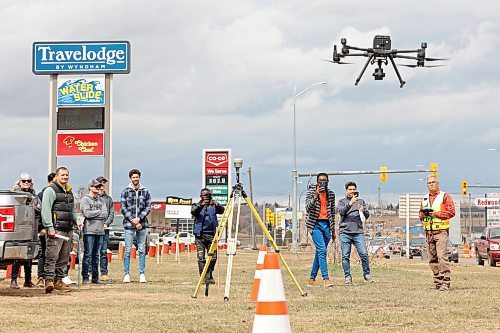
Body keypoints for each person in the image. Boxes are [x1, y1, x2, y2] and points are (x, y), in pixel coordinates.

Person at [42, 166, 81, 293]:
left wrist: (77, 220)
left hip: (68, 228)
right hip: (56, 229)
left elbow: (72, 209)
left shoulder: (69, 192)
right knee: (52, 255)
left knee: (63, 258)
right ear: (57, 176)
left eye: (67, 175)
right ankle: (49, 280)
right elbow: (46, 210)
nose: (65, 177)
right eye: (62, 175)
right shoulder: (50, 190)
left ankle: (59, 281)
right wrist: (49, 227)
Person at [419, 174, 455, 291]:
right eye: (429, 183)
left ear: (437, 183)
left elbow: (451, 212)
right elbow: (420, 215)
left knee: (442, 257)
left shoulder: (444, 196)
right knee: (432, 258)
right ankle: (438, 282)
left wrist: (436, 214)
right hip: (429, 232)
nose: (431, 184)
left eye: (433, 182)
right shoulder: (424, 198)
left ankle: (446, 282)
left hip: (441, 231)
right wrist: (423, 214)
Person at [337, 181, 372, 284]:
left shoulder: (361, 201)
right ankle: (347, 276)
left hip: (358, 231)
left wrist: (363, 210)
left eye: (353, 189)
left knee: (364, 254)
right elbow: (341, 212)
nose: (352, 191)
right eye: (350, 189)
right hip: (345, 232)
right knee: (345, 256)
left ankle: (367, 274)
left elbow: (366, 216)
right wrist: (350, 203)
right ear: (346, 191)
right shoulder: (342, 202)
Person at [10, 173, 41, 289]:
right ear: (20, 182)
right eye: (24, 181)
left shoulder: (33, 195)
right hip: (18, 227)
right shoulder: (15, 195)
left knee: (29, 254)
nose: (26, 183)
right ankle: (14, 279)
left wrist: (34, 208)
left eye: (28, 181)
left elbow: (39, 207)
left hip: (31, 226)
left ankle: (28, 280)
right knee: (17, 255)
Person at [120, 169, 151, 283]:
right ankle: (126, 274)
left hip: (142, 224)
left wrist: (140, 219)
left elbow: (148, 207)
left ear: (139, 177)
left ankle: (142, 274)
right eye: (133, 177)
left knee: (142, 250)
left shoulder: (145, 191)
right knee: (128, 250)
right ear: (130, 178)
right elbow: (123, 208)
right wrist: (133, 220)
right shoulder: (125, 191)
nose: (135, 179)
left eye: (137, 177)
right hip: (129, 225)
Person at [305, 173, 336, 288]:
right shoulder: (311, 192)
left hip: (327, 225)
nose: (322, 183)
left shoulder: (331, 194)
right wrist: (316, 195)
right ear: (317, 182)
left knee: (319, 252)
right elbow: (308, 207)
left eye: (325, 181)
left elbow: (332, 212)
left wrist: (333, 230)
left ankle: (311, 279)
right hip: (315, 224)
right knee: (322, 250)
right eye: (320, 181)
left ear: (328, 182)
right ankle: (326, 279)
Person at [191, 188, 224, 284]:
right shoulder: (196, 205)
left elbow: (222, 210)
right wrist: (201, 206)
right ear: (200, 196)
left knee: (213, 257)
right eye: (203, 195)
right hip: (200, 236)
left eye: (207, 195)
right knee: (201, 257)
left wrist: (216, 204)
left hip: (212, 235)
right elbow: (193, 212)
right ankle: (204, 277)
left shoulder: (214, 205)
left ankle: (209, 274)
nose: (205, 197)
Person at [80, 179, 108, 284]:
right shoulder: (85, 200)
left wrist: (95, 213)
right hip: (89, 231)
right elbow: (87, 214)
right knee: (88, 254)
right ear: (90, 187)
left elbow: (105, 214)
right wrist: (99, 212)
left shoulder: (102, 200)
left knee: (96, 255)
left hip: (100, 231)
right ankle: (85, 277)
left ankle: (95, 278)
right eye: (96, 186)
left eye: (99, 186)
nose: (98, 188)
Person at [35, 172, 56, 288]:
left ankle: (54, 278)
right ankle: (41, 277)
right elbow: (39, 212)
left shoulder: (58, 193)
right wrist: (41, 227)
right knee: (43, 253)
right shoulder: (42, 194)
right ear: (50, 182)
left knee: (52, 254)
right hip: (44, 228)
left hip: (55, 228)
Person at [97, 176, 114, 282]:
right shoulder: (91, 198)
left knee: (103, 251)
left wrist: (106, 223)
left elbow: (111, 213)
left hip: (105, 229)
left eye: (103, 183)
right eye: (100, 183)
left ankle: (104, 273)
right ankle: (90, 273)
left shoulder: (108, 199)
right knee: (92, 253)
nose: (102, 185)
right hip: (93, 229)